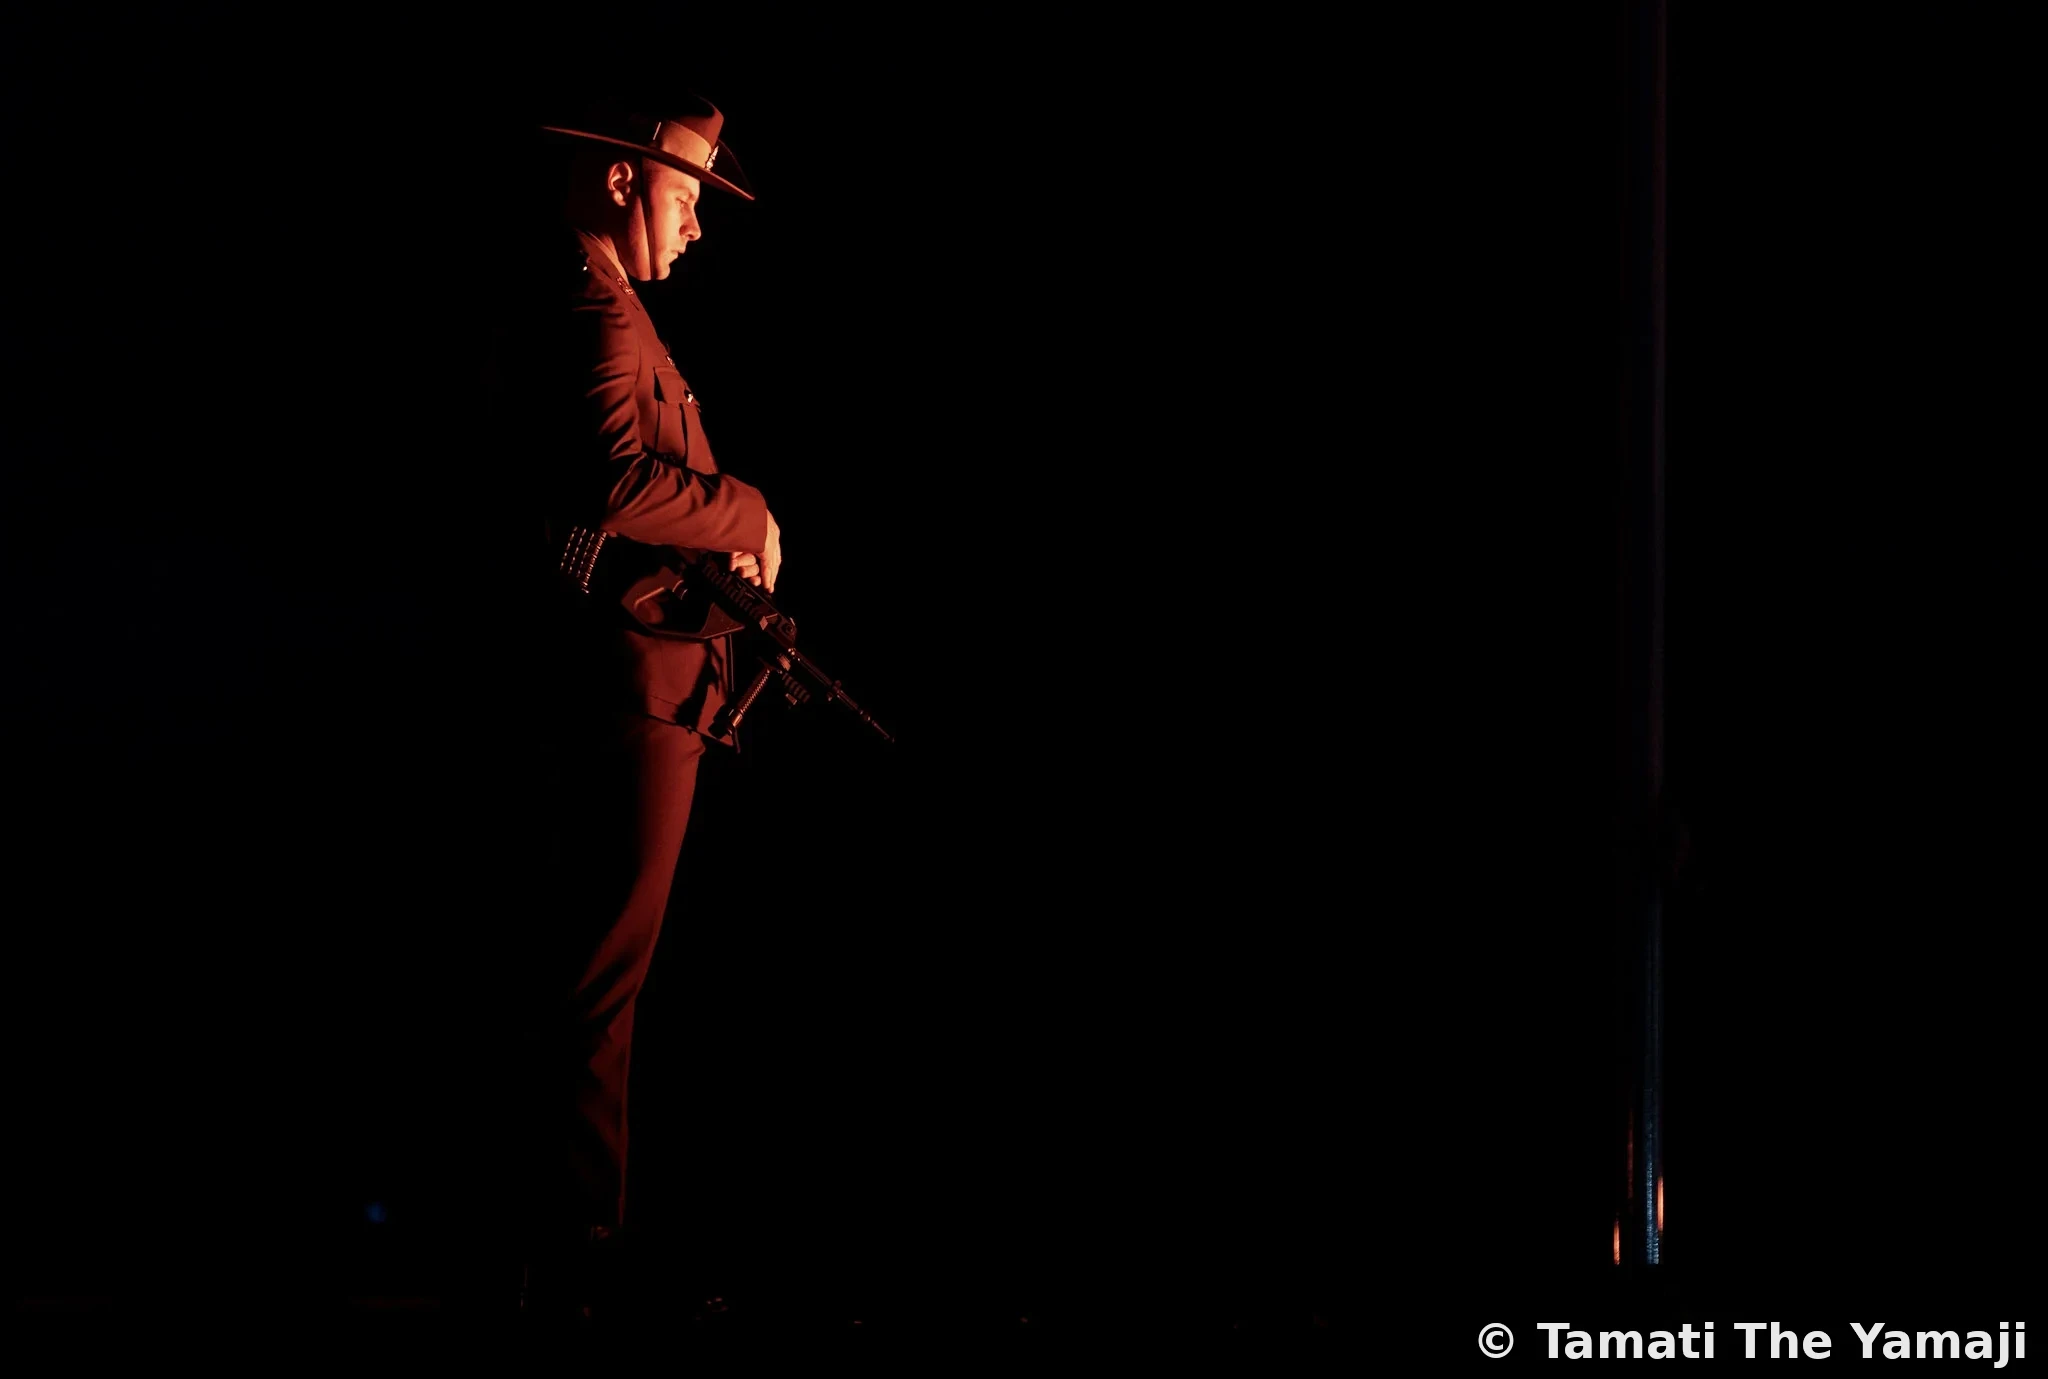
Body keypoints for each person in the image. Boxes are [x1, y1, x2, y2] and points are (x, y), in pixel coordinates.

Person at [469, 92, 784, 1326]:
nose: (698, 225)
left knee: (594, 971)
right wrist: (746, 511)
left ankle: (569, 1242)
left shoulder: (602, 302)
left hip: (648, 682)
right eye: (688, 194)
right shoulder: (591, 302)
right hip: (622, 687)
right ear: (619, 182)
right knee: (597, 976)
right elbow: (608, 473)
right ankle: (577, 1250)